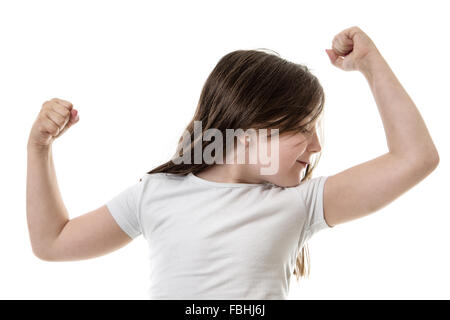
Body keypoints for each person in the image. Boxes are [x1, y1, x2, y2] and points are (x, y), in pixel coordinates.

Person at [26, 26, 439, 299]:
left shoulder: (301, 203)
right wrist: (39, 148)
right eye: (304, 128)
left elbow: (414, 158)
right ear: (251, 124)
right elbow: (53, 242)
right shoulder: (155, 195)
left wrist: (371, 65)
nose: (316, 147)